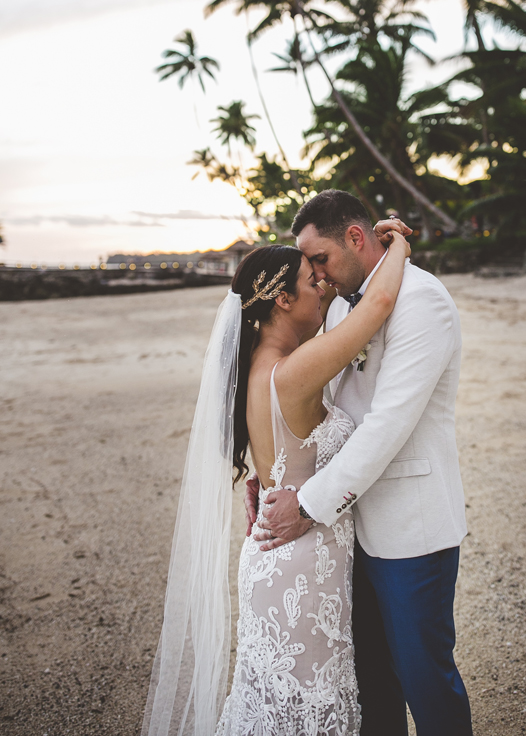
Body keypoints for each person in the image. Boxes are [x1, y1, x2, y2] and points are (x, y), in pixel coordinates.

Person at [142, 229, 410, 736]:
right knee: (309, 704)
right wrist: (398, 245)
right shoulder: (293, 370)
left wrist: (267, 483)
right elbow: (379, 304)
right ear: (283, 299)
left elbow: (282, 458)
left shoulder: (255, 372)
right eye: (314, 282)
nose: (326, 288)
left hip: (275, 554)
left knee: (276, 704)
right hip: (303, 564)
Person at [254, 190, 472, 736]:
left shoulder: (421, 301)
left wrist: (307, 503)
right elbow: (328, 405)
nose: (319, 278)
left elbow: (388, 426)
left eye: (320, 260)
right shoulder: (344, 308)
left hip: (409, 530)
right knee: (371, 684)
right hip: (352, 532)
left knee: (426, 680)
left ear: (356, 238)